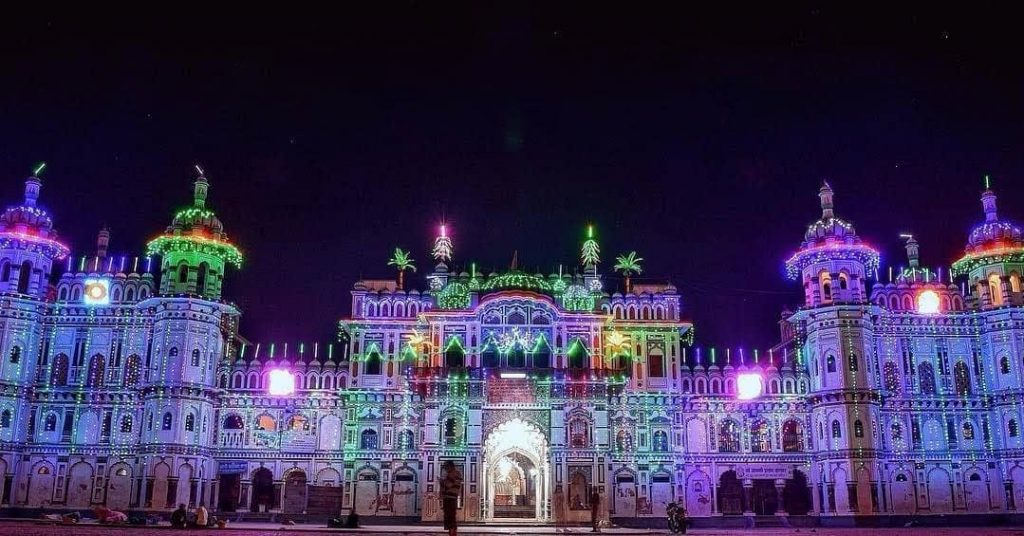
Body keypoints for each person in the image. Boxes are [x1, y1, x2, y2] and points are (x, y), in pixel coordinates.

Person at [440, 461, 463, 536]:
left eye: (446, 467)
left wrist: (442, 482)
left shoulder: (454, 474)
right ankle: (452, 533)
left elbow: (449, 485)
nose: (446, 469)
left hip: (450, 498)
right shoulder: (453, 474)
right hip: (449, 498)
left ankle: (452, 533)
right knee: (449, 516)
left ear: (450, 466)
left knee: (450, 517)